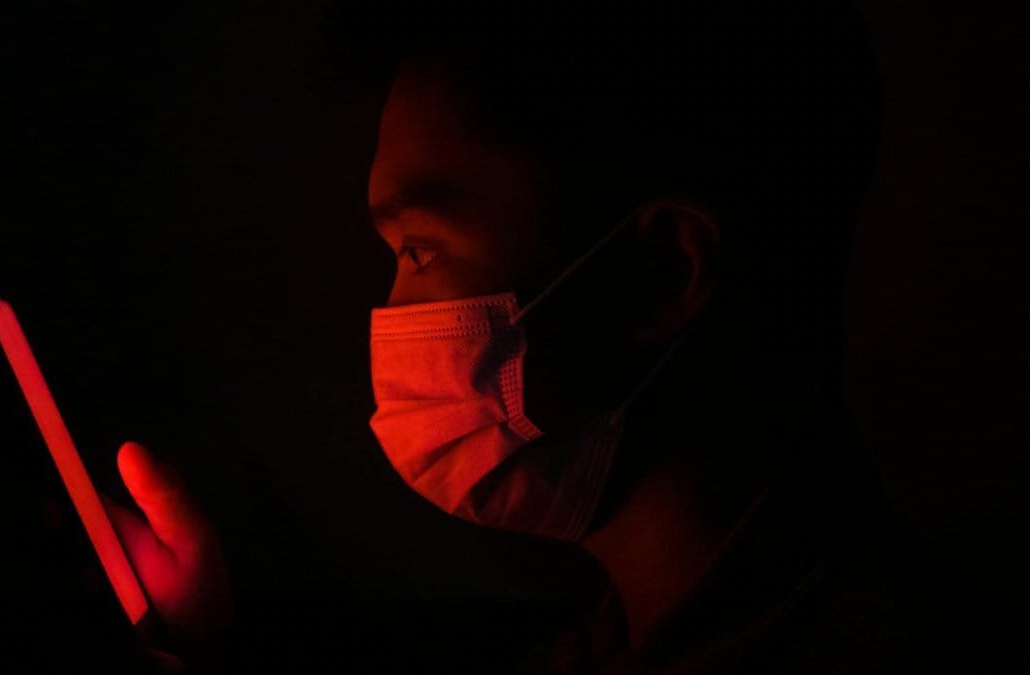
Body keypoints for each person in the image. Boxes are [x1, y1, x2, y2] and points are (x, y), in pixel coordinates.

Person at [104, 1, 974, 672]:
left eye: (419, 248)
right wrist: (216, 639)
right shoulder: (616, 634)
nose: (389, 313)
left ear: (666, 273)